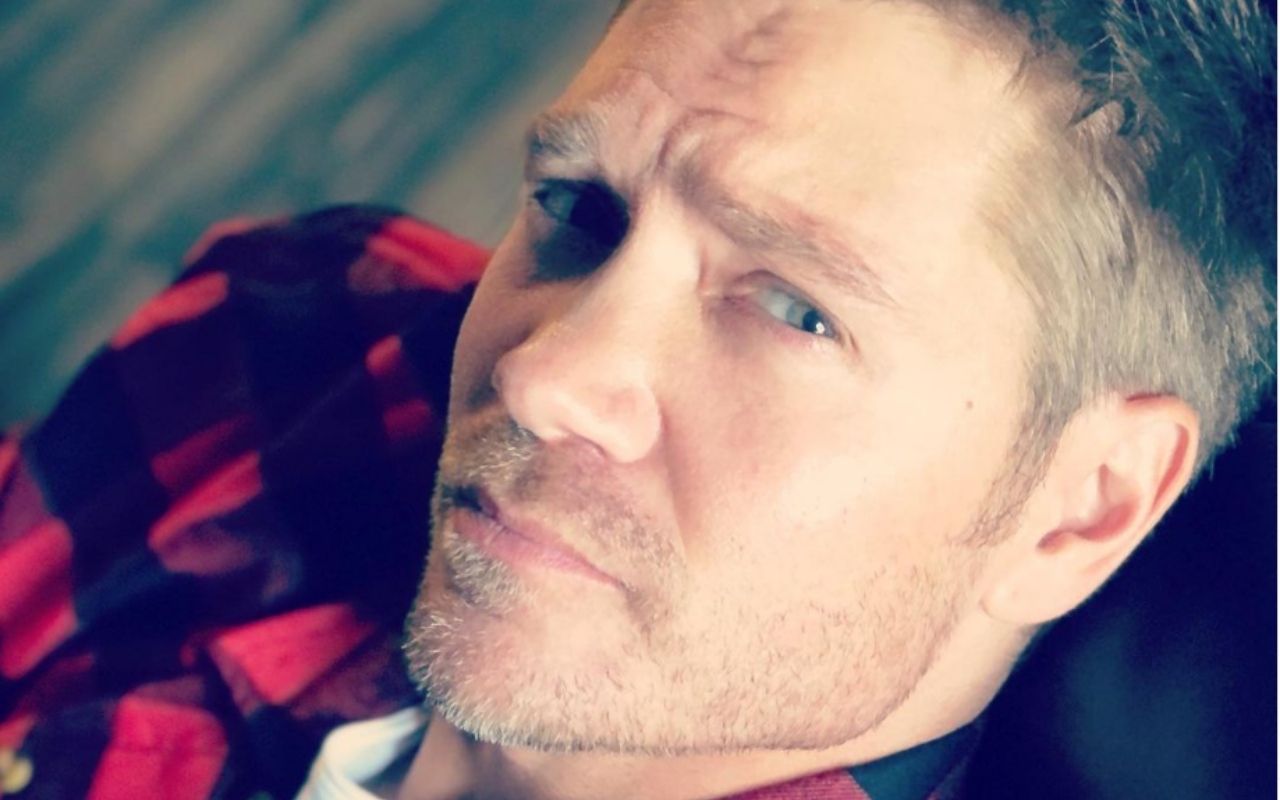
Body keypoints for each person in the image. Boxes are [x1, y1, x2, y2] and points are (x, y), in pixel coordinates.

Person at [0, 0, 1272, 798]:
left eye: (792, 306)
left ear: (1081, 507)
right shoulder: (302, 334)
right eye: (579, 206)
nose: (541, 374)